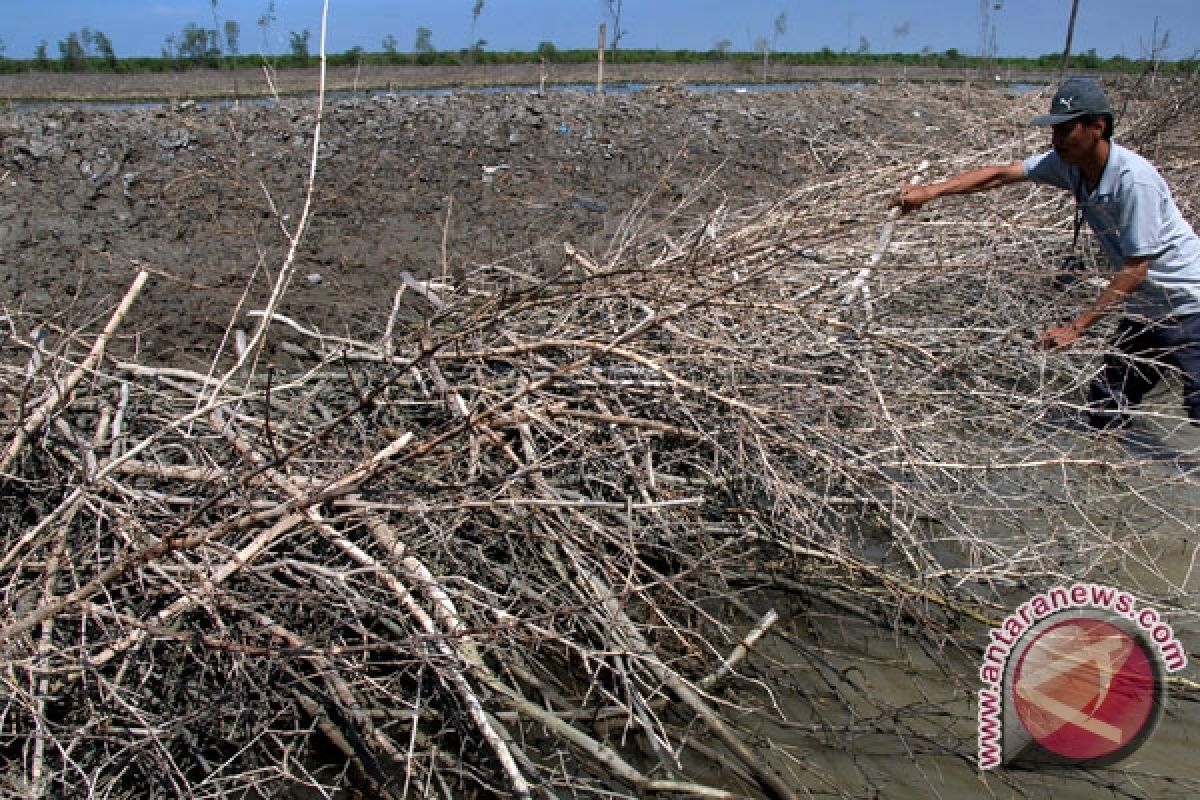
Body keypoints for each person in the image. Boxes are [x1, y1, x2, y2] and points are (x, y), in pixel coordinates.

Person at [893, 77, 1200, 430]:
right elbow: (1001, 175)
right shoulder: (1069, 164)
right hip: (1146, 310)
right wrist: (930, 192)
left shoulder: (1135, 181)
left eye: (1065, 130)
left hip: (1189, 304)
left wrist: (1077, 327)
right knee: (1105, 408)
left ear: (1097, 127)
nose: (1056, 140)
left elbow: (1135, 269)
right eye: (1053, 131)